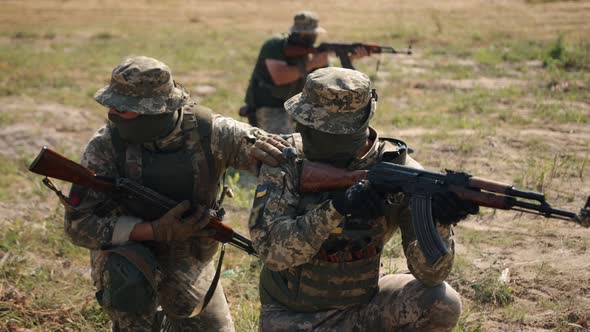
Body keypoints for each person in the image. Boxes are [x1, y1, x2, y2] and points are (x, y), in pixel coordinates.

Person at [64, 56, 287, 332]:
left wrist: (278, 156)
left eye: (123, 109)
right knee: (133, 305)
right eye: (112, 105)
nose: (112, 113)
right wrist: (153, 231)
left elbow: (280, 153)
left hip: (190, 256)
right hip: (129, 257)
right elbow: (78, 226)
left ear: (155, 110)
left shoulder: (210, 133)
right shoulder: (106, 146)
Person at [248, 67, 479, 331]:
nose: (304, 131)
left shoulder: (400, 171)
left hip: (364, 307)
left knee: (441, 302)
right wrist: (336, 208)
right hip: (292, 316)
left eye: (320, 127)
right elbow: (272, 252)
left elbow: (431, 274)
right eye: (305, 122)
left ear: (356, 130)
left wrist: (439, 222)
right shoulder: (286, 160)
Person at [243, 11, 368, 134]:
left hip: (298, 105)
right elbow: (280, 77)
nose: (310, 38)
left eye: (312, 34)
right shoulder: (275, 45)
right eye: (306, 34)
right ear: (296, 33)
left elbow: (328, 81)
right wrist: (312, 64)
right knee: (282, 145)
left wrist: (348, 59)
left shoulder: (312, 52)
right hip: (271, 105)